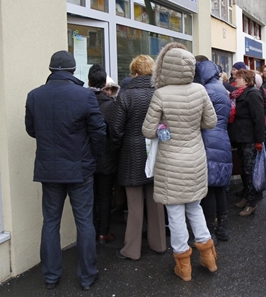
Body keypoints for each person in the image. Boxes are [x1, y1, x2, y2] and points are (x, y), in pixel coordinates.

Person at [25, 50, 105, 291]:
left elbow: (32, 130)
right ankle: (87, 276)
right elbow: (99, 132)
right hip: (80, 169)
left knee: (50, 222)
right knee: (84, 223)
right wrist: (94, 159)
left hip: (49, 169)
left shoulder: (34, 96)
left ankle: (50, 277)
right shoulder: (84, 96)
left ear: (51, 70)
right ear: (73, 70)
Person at [142, 43, 218, 282]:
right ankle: (209, 258)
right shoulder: (200, 90)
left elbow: (147, 130)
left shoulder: (161, 94)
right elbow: (211, 123)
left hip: (170, 163)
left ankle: (184, 266)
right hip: (195, 158)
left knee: (175, 213)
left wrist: (163, 127)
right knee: (195, 208)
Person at [109, 55, 167, 261]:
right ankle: (159, 243)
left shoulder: (125, 96)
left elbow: (115, 129)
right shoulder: (160, 93)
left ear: (134, 72)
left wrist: (119, 147)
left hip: (131, 152)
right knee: (156, 200)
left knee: (134, 204)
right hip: (156, 150)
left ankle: (131, 249)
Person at [194, 56, 233, 243]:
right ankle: (223, 228)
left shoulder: (205, 91)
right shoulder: (221, 88)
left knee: (209, 187)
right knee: (219, 187)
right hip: (222, 139)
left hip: (207, 140)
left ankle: (209, 230)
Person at [87, 65, 118, 245]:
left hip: (87, 157)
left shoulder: (83, 101)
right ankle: (103, 233)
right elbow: (115, 133)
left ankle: (90, 232)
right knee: (105, 196)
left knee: (89, 197)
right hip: (106, 158)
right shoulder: (110, 105)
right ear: (105, 83)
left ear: (89, 82)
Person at [229, 69, 266, 216]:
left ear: (246, 80)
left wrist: (259, 141)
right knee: (244, 169)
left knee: (250, 172)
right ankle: (246, 196)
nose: (235, 80)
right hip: (241, 138)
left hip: (249, 139)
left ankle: (252, 202)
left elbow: (259, 119)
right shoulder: (239, 94)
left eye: (238, 78)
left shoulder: (253, 94)